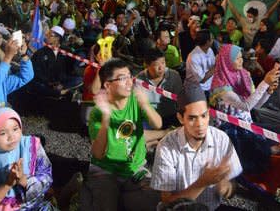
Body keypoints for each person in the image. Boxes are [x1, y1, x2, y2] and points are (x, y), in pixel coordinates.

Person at [81, 58, 162, 211]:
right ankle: (81, 191)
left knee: (155, 202)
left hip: (135, 167)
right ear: (108, 85)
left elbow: (158, 124)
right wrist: (106, 118)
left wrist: (145, 103)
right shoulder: (98, 112)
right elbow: (98, 154)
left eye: (130, 77)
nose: (129, 82)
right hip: (105, 170)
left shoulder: (135, 101)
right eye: (122, 78)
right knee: (107, 205)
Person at [151, 81, 242, 210]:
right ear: (180, 118)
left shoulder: (221, 139)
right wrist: (203, 182)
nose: (200, 124)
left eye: (203, 116)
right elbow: (168, 203)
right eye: (192, 118)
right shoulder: (167, 147)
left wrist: (225, 187)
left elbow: (232, 189)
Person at [209, 44, 280, 172]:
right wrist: (264, 83)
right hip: (229, 128)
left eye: (241, 57)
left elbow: (255, 106)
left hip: (245, 123)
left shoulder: (243, 75)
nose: (241, 60)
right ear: (227, 62)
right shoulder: (221, 85)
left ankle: (267, 151)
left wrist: (268, 91)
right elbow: (246, 105)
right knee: (253, 152)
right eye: (237, 58)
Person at [136, 49, 182, 128]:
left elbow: (180, 100)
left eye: (163, 63)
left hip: (171, 116)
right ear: (147, 65)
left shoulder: (174, 76)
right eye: (156, 64)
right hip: (150, 119)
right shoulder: (139, 81)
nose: (161, 67)